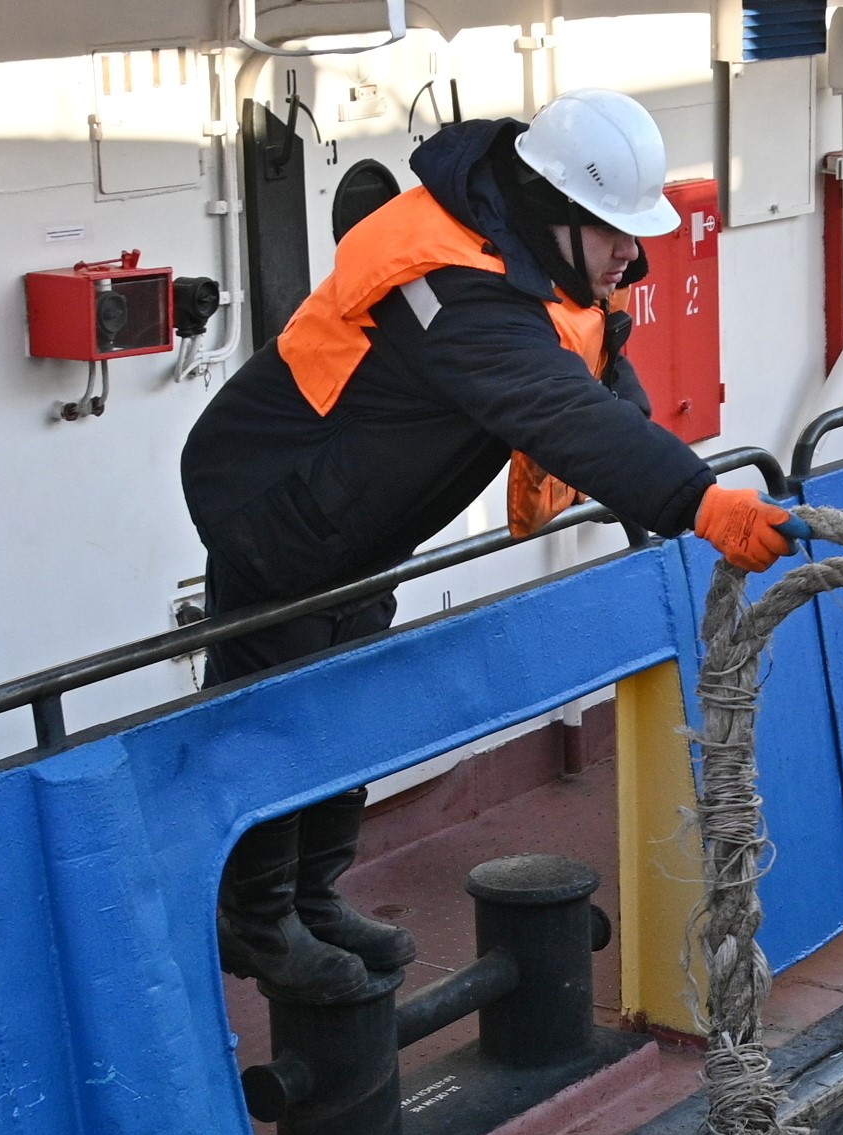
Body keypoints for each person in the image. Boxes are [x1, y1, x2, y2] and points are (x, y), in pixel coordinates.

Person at [180, 89, 800, 1001]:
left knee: (350, 693)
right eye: (614, 232)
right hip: (274, 505)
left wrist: (664, 509)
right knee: (283, 710)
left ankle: (314, 894)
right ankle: (257, 919)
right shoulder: (457, 294)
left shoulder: (526, 262)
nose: (634, 255)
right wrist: (701, 505)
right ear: (553, 215)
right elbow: (554, 409)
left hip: (353, 520)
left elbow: (590, 381)